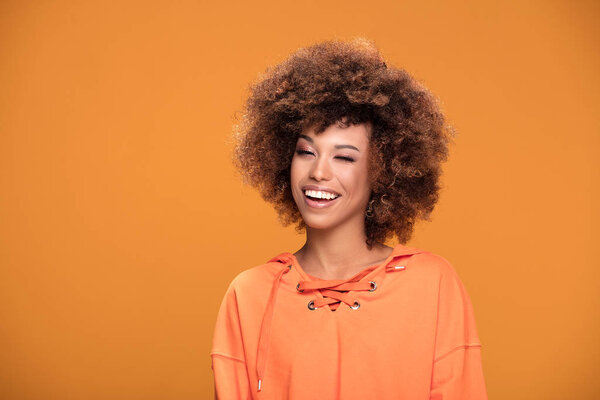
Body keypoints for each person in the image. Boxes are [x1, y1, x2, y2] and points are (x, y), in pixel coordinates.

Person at [210, 38, 488, 399]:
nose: (319, 173)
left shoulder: (434, 285)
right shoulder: (248, 296)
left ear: (383, 170)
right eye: (306, 152)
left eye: (344, 157)